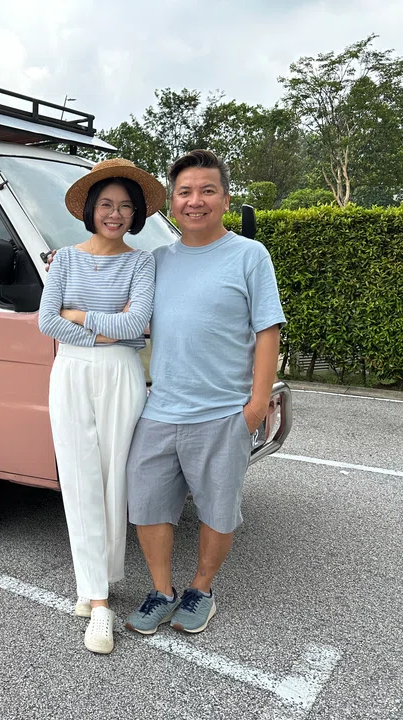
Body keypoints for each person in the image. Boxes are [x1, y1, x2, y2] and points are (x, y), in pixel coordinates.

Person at [120, 149, 285, 635]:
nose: (195, 201)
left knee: (218, 509)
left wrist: (256, 405)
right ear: (172, 202)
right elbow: (126, 311)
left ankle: (201, 590)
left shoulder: (250, 255)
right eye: (185, 192)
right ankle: (161, 591)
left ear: (226, 199)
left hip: (223, 411)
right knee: (147, 503)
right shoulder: (156, 261)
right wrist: (65, 272)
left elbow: (268, 331)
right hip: (160, 407)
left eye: (207, 190)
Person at [38, 158, 166, 654]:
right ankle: (97, 601)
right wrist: (105, 324)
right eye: (107, 204)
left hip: (121, 374)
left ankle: (99, 582)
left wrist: (79, 315)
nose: (115, 214)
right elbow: (47, 322)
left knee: (115, 481)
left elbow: (136, 326)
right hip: (70, 371)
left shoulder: (141, 262)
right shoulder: (65, 259)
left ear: (136, 214)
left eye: (125, 206)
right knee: (79, 479)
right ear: (91, 208)